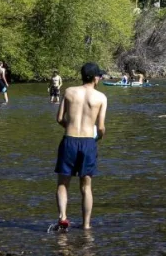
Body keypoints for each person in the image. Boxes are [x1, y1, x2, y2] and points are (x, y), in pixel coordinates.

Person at [54, 62, 108, 231]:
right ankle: (86, 225)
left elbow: (59, 118)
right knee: (86, 186)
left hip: (69, 139)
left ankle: (63, 216)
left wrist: (70, 127)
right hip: (87, 142)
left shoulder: (69, 91)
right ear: (94, 78)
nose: (100, 77)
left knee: (63, 183)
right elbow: (100, 127)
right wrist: (98, 137)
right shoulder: (101, 98)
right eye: (99, 75)